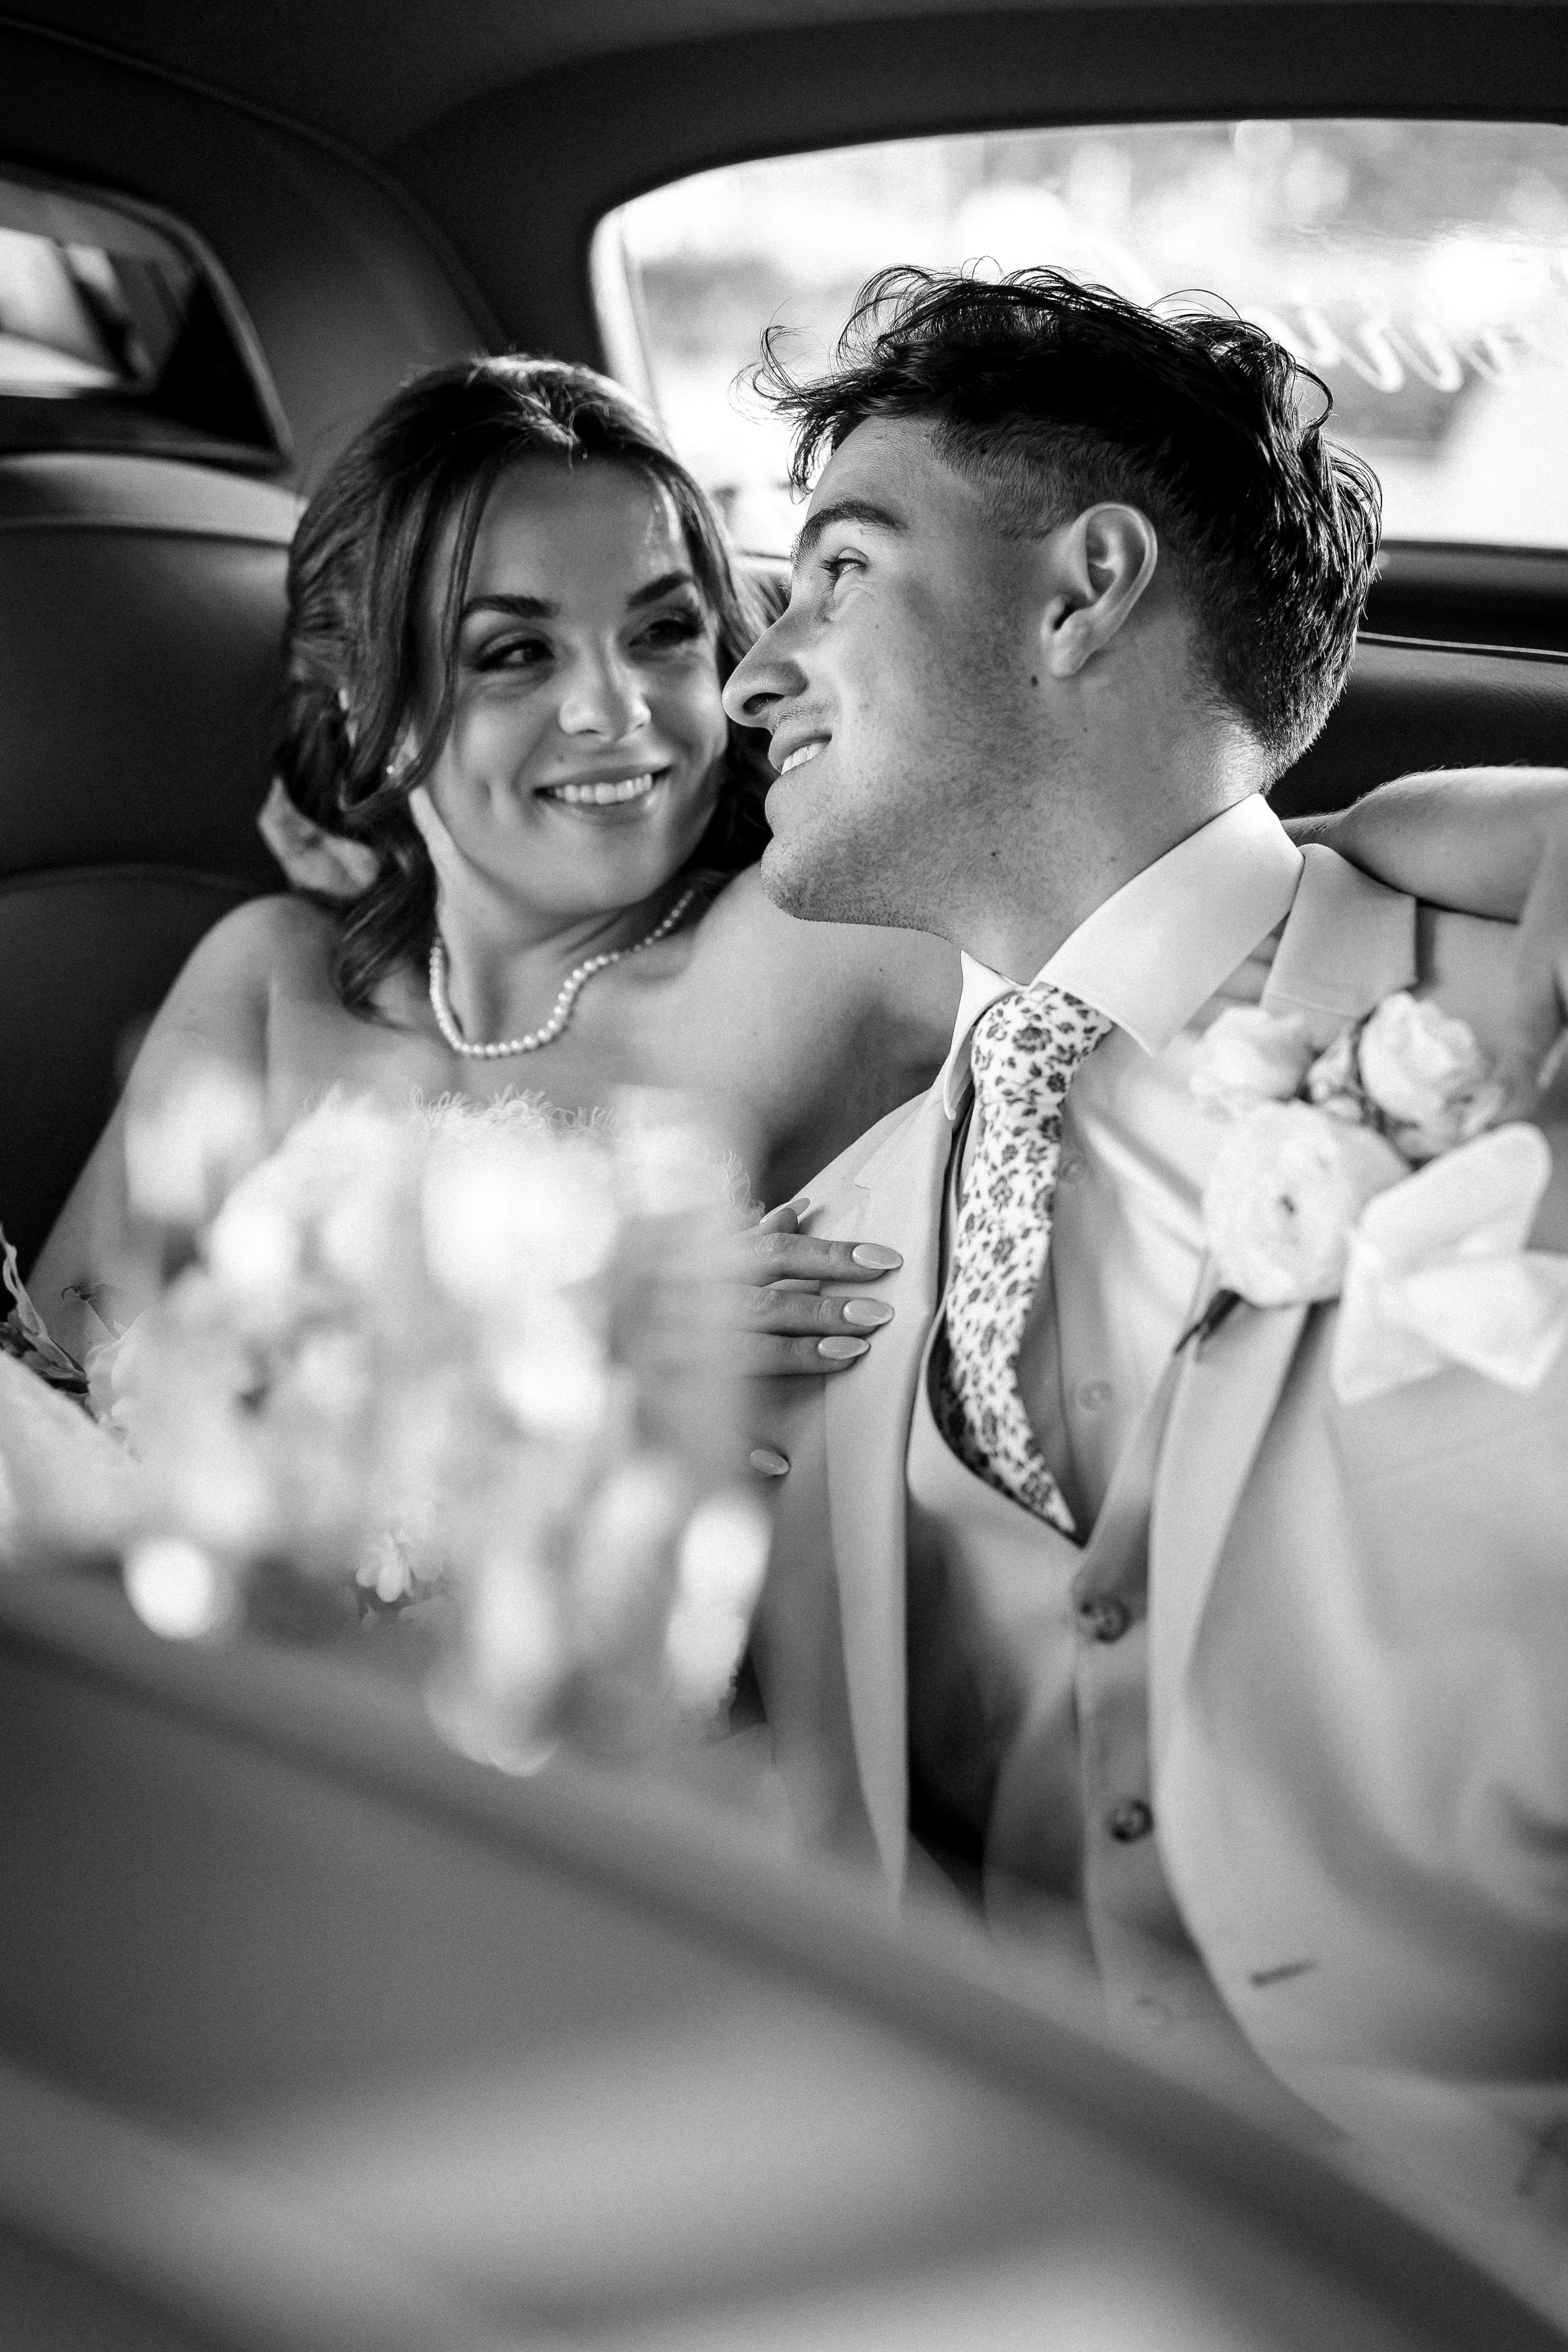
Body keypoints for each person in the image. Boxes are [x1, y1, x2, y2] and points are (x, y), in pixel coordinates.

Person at [726, 270, 1568, 2225]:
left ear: (1082, 587)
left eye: (836, 572)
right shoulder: (819, 1259)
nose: (752, 671)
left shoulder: (1522, 1004)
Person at [30, 354, 1567, 1385]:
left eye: (663, 631)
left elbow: (1174, 878)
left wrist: (1411, 821)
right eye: (511, 653)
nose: (617, 712)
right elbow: (63, 1383)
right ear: (368, 710)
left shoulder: (808, 936)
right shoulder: (270, 980)